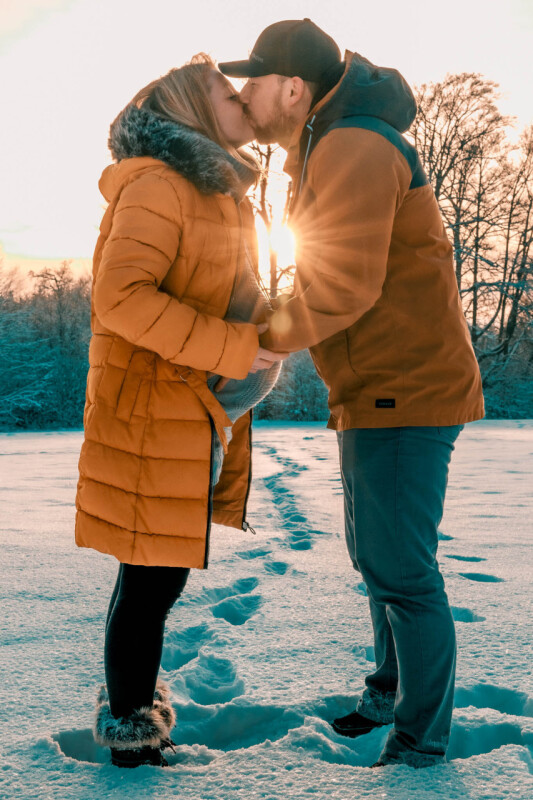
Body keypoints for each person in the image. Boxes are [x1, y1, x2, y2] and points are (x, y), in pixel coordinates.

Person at [220, 19, 485, 768]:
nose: (245, 96)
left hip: (406, 389)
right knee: (380, 561)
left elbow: (343, 286)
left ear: (294, 87)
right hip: (378, 388)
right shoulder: (330, 142)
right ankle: (386, 696)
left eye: (255, 81)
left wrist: (255, 342)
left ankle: (418, 743)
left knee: (399, 570)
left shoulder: (353, 145)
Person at [75, 55, 285, 768]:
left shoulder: (209, 189)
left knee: (151, 575)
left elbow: (215, 290)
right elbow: (120, 298)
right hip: (150, 412)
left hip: (183, 409)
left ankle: (132, 718)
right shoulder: (159, 185)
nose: (242, 103)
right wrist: (231, 347)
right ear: (194, 111)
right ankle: (132, 740)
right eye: (228, 95)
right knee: (152, 577)